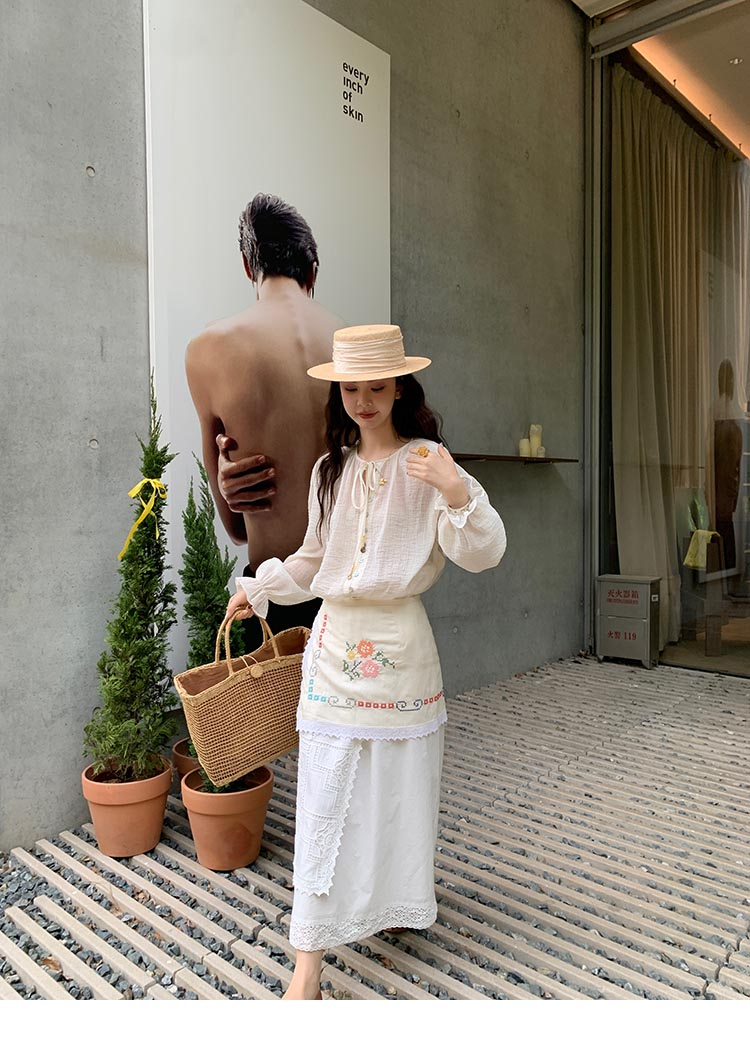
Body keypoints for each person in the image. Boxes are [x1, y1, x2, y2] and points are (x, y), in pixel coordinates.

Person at [224, 324, 507, 1000]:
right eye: (351, 388)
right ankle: (308, 961)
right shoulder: (331, 470)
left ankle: (393, 903)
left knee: (400, 792)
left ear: (400, 388)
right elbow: (314, 561)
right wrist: (258, 589)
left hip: (402, 654)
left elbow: (484, 551)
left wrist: (456, 490)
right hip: (334, 652)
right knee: (324, 795)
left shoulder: (429, 463)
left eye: (377, 386)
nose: (363, 400)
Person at [185, 193, 343, 647]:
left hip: (274, 589)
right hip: (348, 584)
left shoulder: (209, 348)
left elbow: (236, 529)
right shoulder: (351, 341)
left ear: (246, 265)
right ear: (312, 271)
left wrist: (229, 485)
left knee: (274, 698)